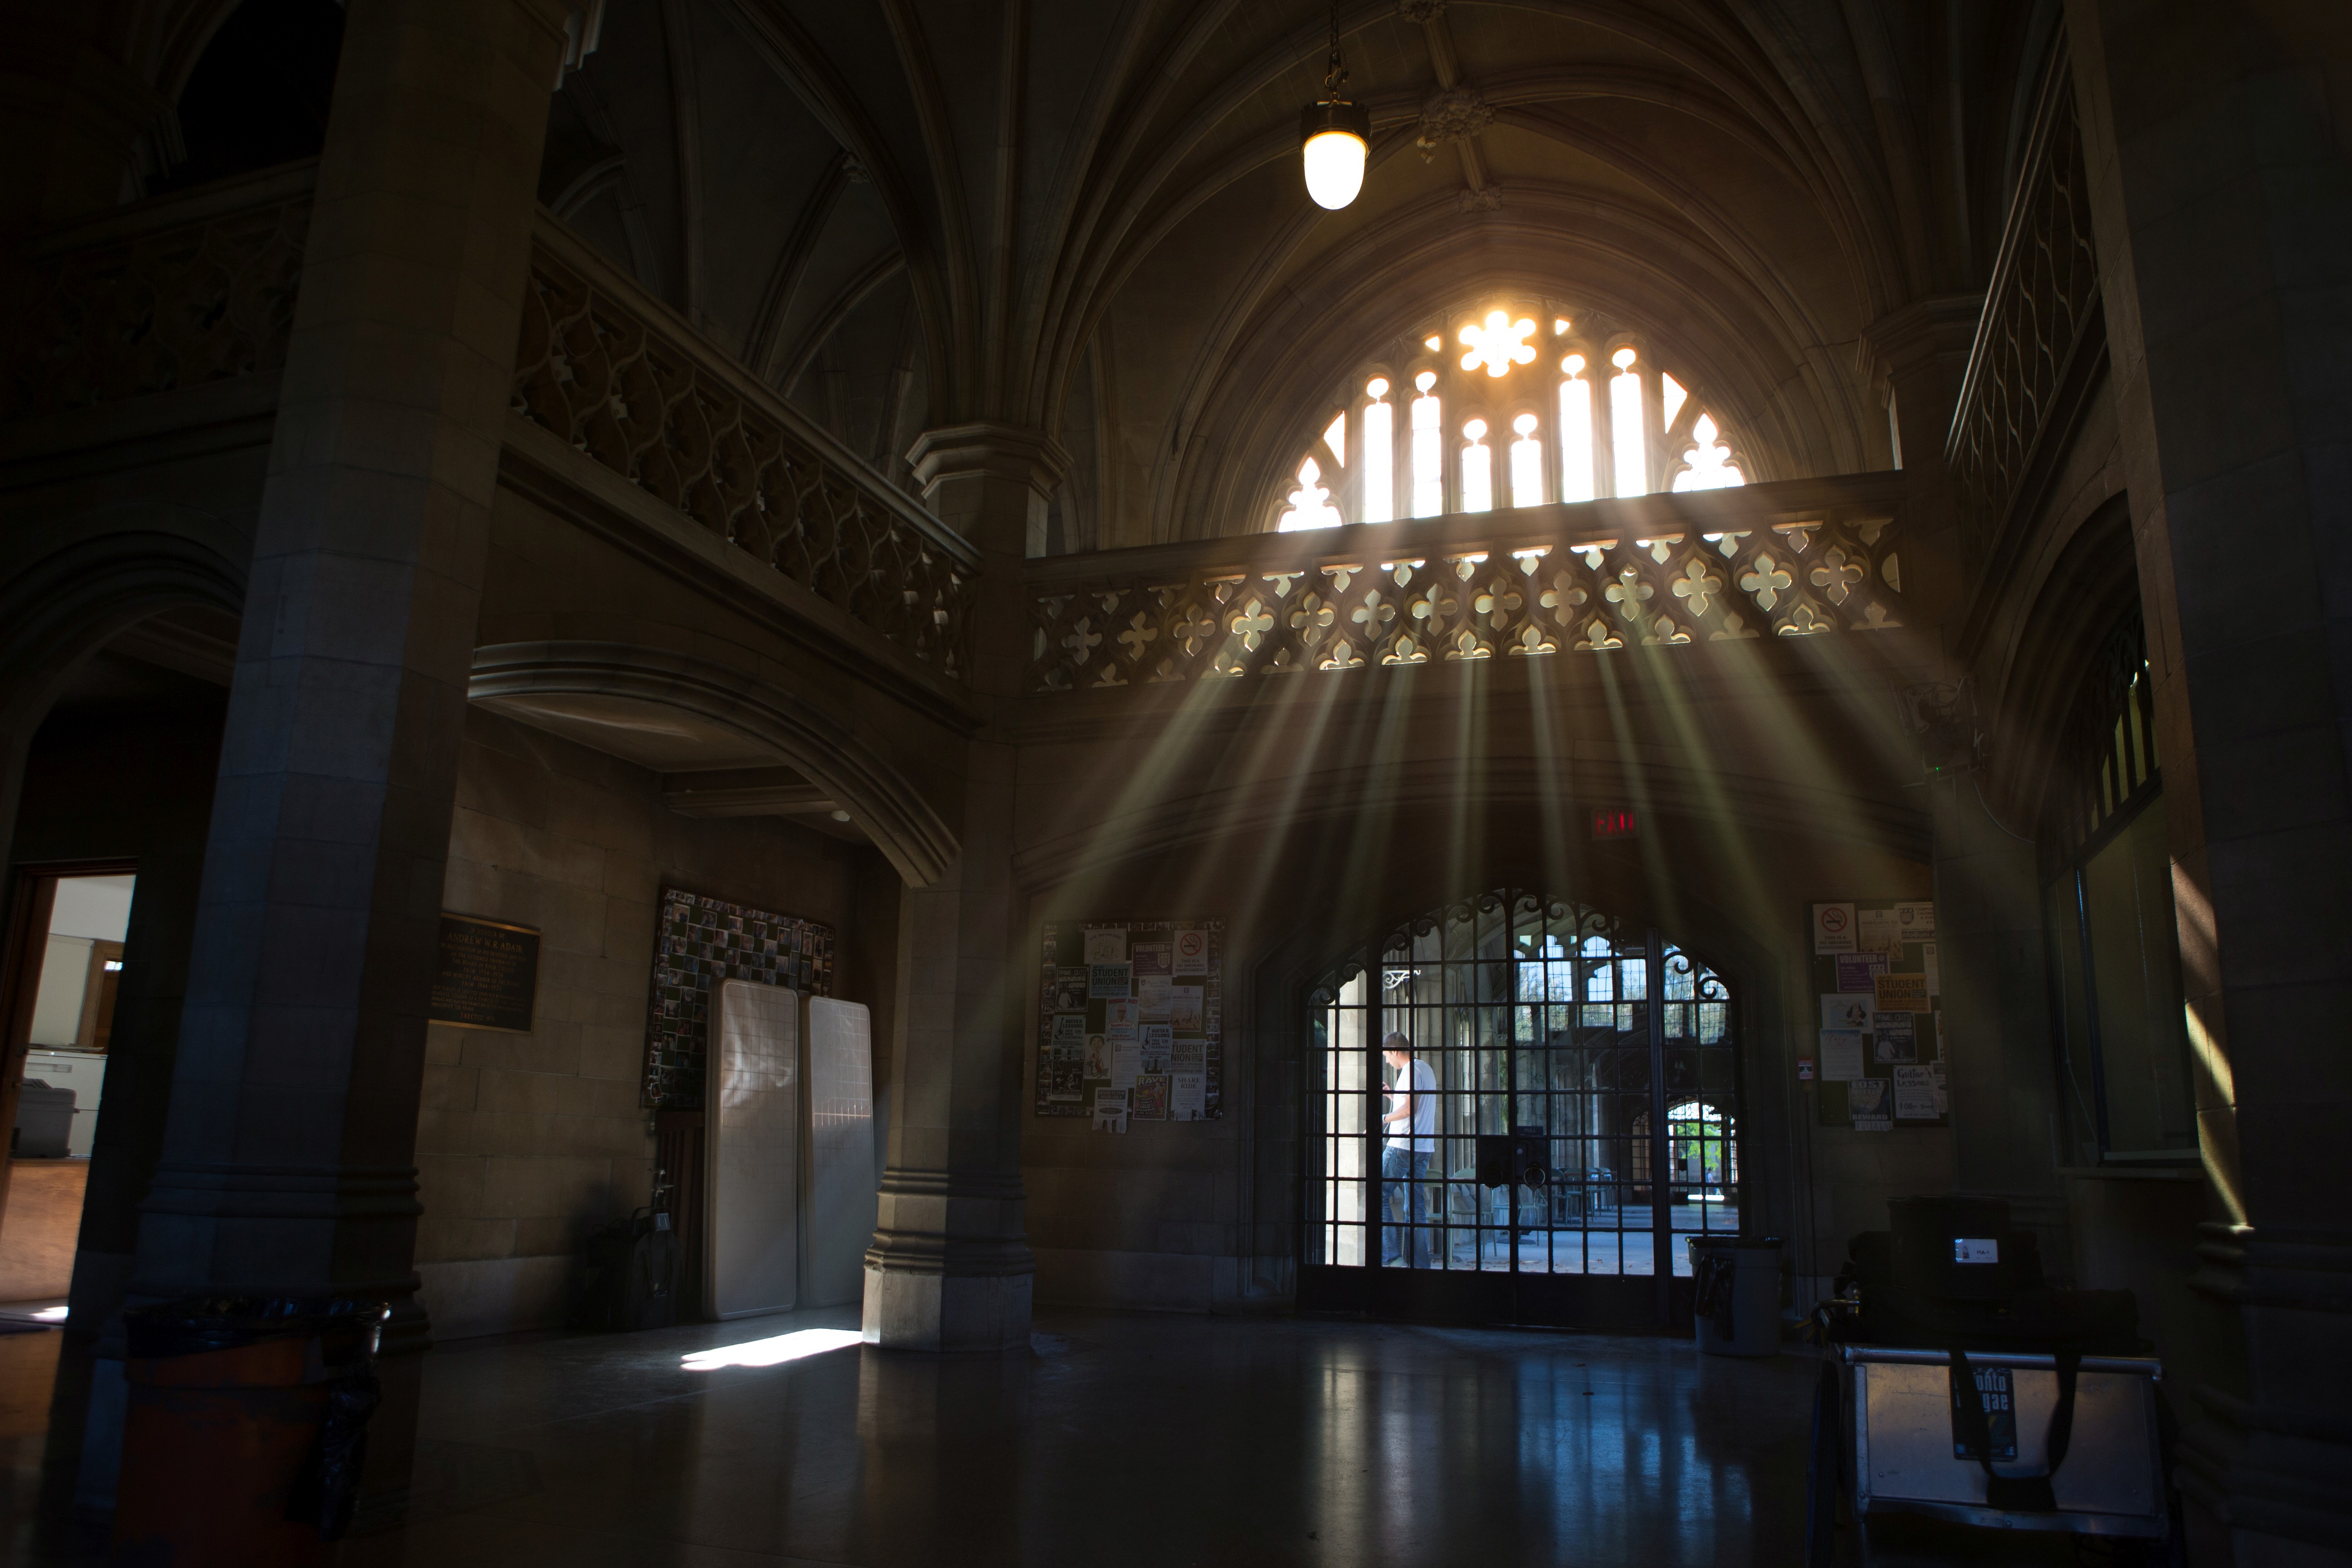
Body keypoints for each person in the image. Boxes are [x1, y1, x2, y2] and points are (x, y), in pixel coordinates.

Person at [1379, 1034, 1437, 1267]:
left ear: (1395, 1051)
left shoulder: (1409, 1071)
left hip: (1402, 1146)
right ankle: (1420, 1265)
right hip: (1423, 1147)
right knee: (1415, 1208)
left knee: (1377, 1192)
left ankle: (1392, 1258)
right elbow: (1413, 1105)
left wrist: (1382, 1118)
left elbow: (1409, 1110)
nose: (1387, 1061)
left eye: (1386, 1055)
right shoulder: (1425, 1069)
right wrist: (1392, 1095)